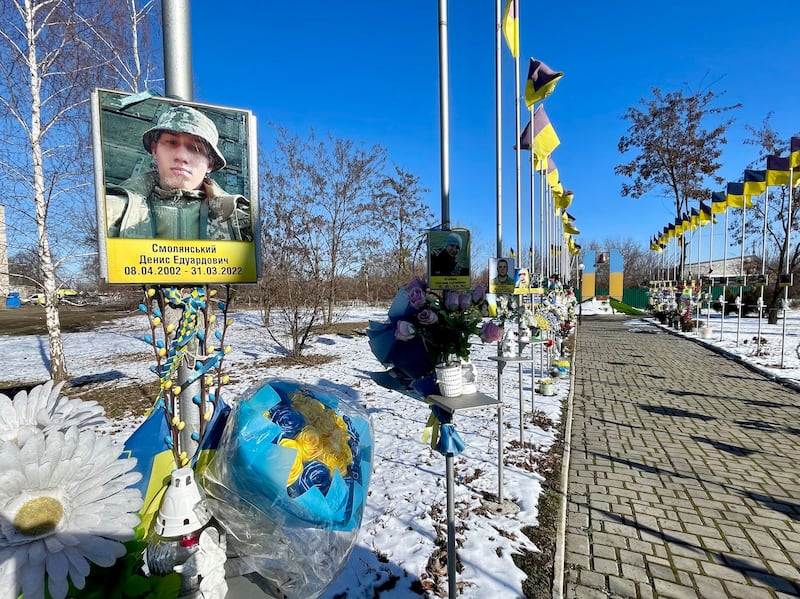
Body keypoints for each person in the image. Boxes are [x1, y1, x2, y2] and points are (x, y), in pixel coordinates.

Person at [105, 105, 252, 241]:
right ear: (155, 150)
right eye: (171, 142)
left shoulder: (242, 219)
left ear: (210, 163)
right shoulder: (111, 211)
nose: (181, 156)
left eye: (195, 148)